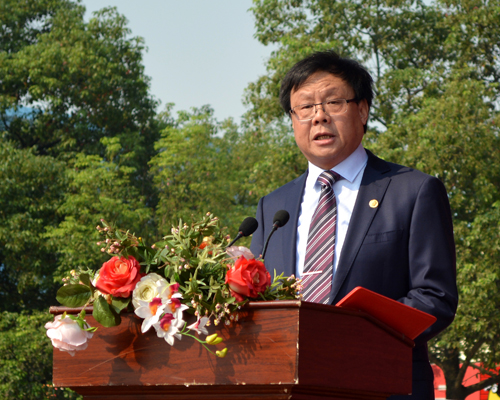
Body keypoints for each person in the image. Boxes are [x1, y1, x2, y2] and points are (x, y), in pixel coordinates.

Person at [250, 51, 458, 399]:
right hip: (290, 387)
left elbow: (435, 297)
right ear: (292, 120)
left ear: (362, 110)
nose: (319, 116)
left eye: (333, 102)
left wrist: (346, 335)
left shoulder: (413, 191)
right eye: (305, 107)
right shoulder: (272, 207)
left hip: (383, 385)